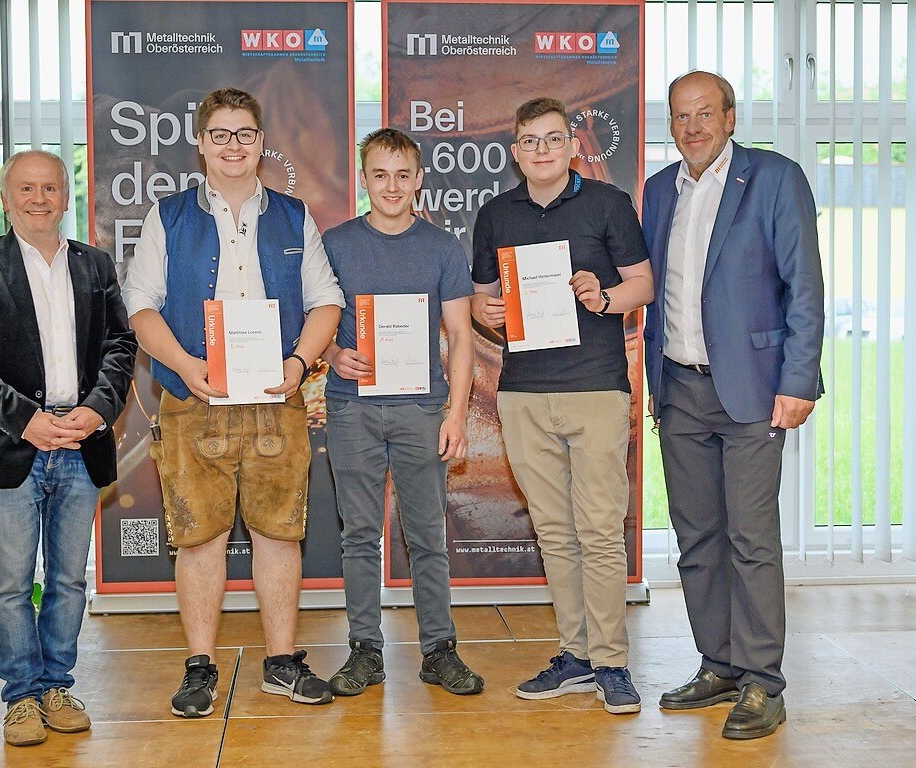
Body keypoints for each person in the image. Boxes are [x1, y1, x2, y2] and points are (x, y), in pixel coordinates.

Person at [123, 88, 344, 715]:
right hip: (194, 399)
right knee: (198, 537)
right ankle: (200, 667)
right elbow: (140, 306)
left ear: (261, 141)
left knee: (279, 533)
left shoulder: (294, 215)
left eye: (244, 133)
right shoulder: (167, 217)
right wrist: (186, 366)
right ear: (200, 142)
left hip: (277, 398)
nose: (233, 145)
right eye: (220, 134)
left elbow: (327, 299)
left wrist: (300, 363)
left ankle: (280, 661)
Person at [642, 70, 824, 739]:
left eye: (703, 113)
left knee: (751, 539)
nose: (692, 127)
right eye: (680, 116)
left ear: (730, 117)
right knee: (697, 540)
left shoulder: (774, 179)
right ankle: (717, 665)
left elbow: (803, 283)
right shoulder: (660, 191)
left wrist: (799, 378)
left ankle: (761, 682)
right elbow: (651, 288)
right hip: (680, 388)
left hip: (753, 387)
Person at [0, 150, 137, 746]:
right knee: (11, 580)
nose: (39, 198)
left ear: (65, 196)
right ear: (5, 198)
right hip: (11, 446)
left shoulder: (95, 266)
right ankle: (21, 698)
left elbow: (121, 347)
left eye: (50, 187)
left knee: (70, 579)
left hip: (80, 442)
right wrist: (25, 420)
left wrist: (95, 410)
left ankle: (57, 685)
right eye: (26, 188)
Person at [470, 97, 653, 714]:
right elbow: (481, 302)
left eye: (554, 139)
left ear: (572, 145)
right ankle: (576, 655)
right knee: (554, 532)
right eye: (530, 140)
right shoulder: (496, 214)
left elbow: (643, 284)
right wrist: (486, 314)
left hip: (596, 388)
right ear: (516, 150)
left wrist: (602, 297)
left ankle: (612, 662)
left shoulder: (608, 204)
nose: (543, 150)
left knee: (599, 530)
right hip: (522, 393)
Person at [321, 128, 482, 697]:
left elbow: (461, 335)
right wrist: (333, 353)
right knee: (359, 535)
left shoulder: (441, 248)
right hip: (351, 411)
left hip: (421, 411)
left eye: (403, 175)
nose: (392, 186)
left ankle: (440, 650)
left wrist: (457, 414)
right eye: (380, 175)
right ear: (364, 179)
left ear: (419, 180)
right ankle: (365, 651)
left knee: (427, 537)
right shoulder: (334, 244)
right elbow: (313, 322)